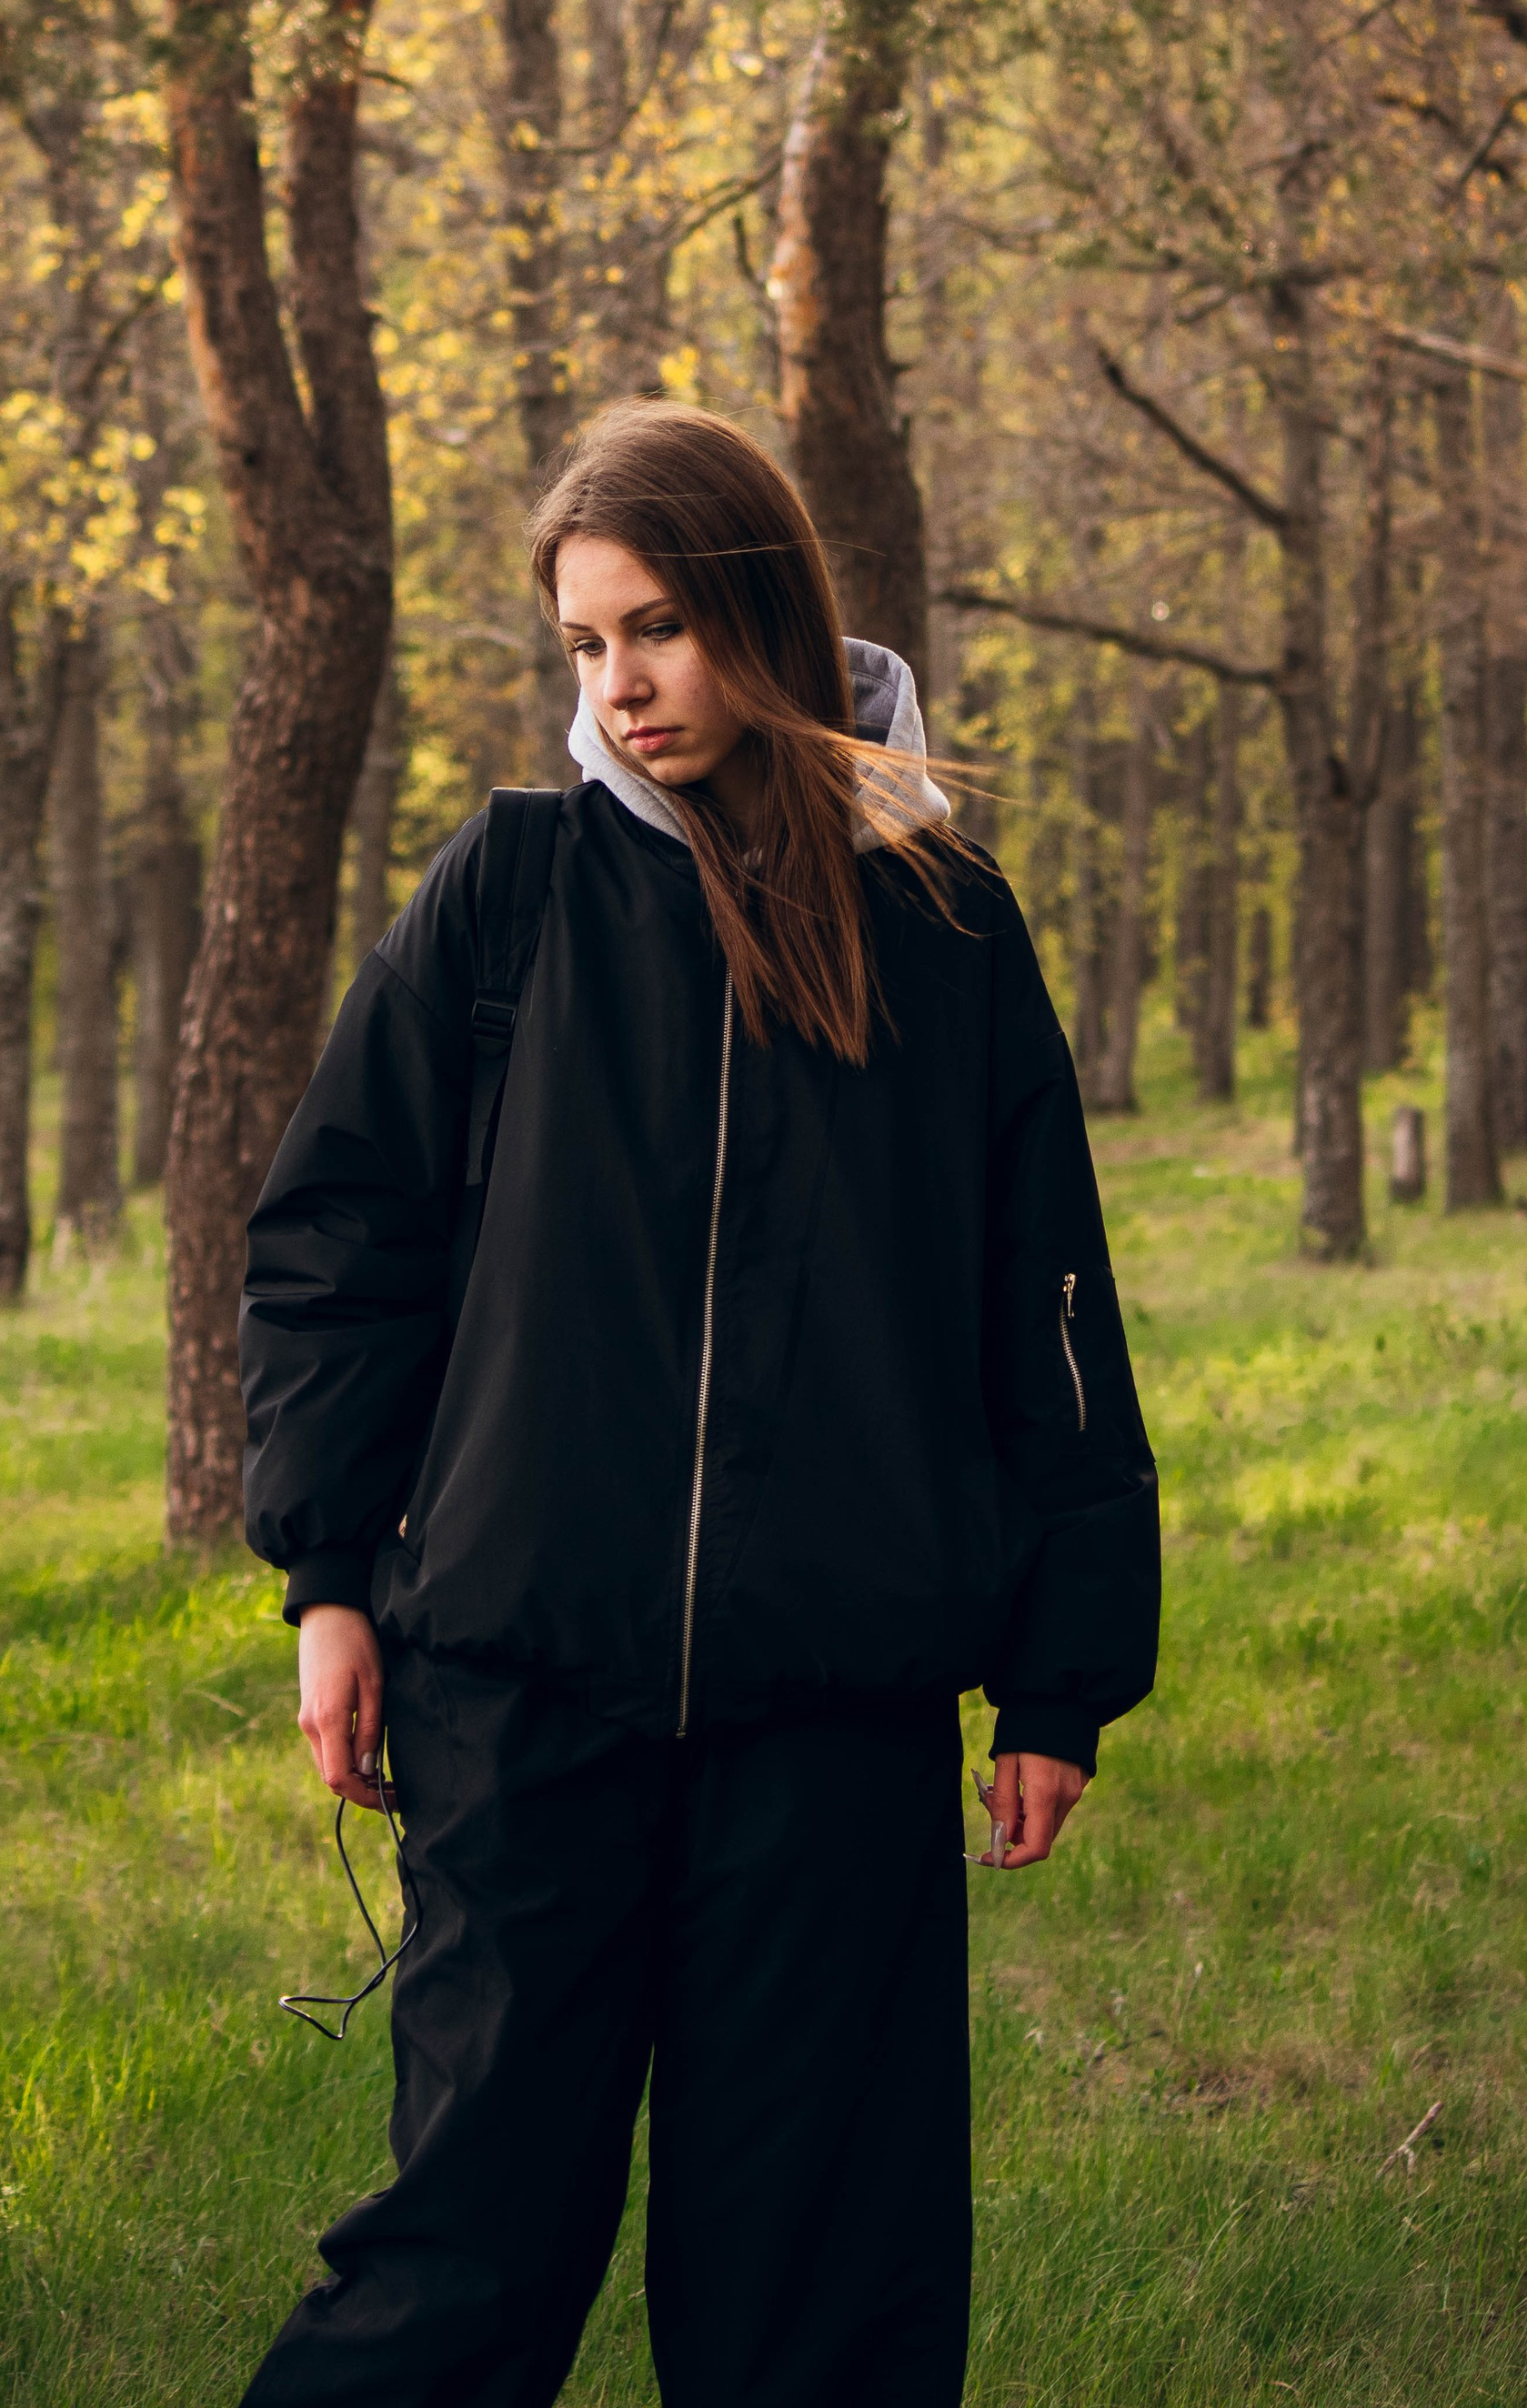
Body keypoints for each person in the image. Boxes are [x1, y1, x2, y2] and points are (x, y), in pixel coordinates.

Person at [238, 400, 1160, 2408]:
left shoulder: (937, 923)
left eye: (652, 628)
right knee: (462, 2258)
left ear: (757, 607)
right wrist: (328, 1577)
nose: (621, 687)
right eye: (582, 645)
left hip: (831, 1730)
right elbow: (336, 1243)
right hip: (518, 1698)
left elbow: (1049, 1309)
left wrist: (1062, 1676)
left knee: (813, 2304)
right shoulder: (511, 889)